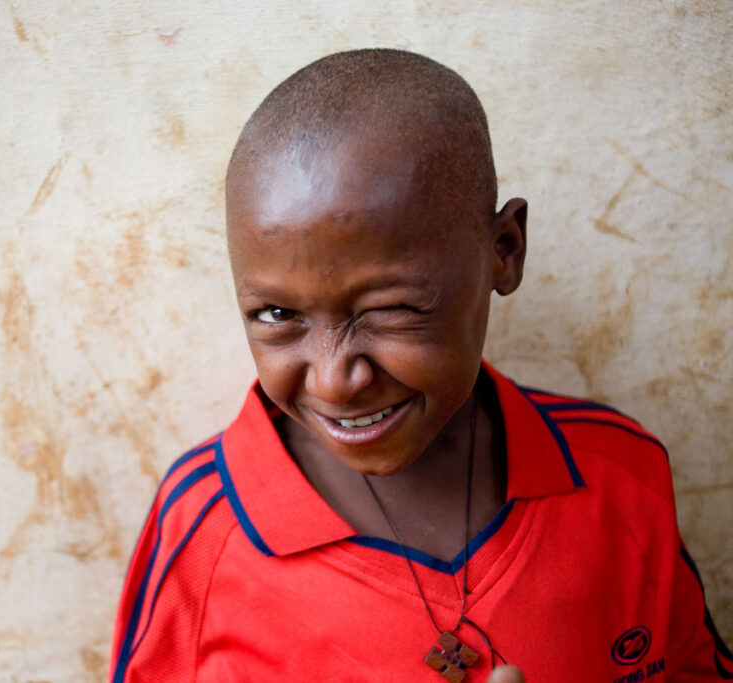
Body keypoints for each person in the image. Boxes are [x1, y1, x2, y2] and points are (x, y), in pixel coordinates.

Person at [108, 49, 731, 682]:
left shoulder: (619, 474)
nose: (332, 380)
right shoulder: (203, 530)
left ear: (504, 252)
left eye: (391, 309)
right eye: (275, 315)